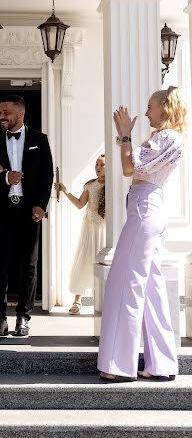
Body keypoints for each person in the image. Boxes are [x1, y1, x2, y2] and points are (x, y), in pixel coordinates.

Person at [98, 86, 188, 382]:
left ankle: (117, 365)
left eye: (150, 106)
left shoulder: (166, 137)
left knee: (126, 282)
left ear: (164, 107)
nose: (146, 112)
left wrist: (125, 134)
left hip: (145, 210)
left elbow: (128, 167)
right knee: (150, 288)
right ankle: (161, 365)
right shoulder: (168, 138)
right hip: (148, 208)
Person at [0, 94, 53, 337]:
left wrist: (41, 205)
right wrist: (4, 177)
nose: (1, 117)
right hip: (1, 211)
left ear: (20, 114)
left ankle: (23, 318)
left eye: (6, 112)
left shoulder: (40, 139)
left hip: (30, 212)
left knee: (28, 266)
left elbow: (47, 175)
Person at [56, 155, 106, 315]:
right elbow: (79, 204)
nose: (98, 167)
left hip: (104, 230)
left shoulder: (113, 186)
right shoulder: (90, 185)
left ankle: (105, 299)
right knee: (85, 260)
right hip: (90, 229)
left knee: (105, 263)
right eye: (96, 164)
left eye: (102, 165)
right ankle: (77, 300)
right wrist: (65, 191)